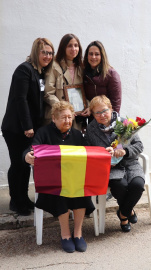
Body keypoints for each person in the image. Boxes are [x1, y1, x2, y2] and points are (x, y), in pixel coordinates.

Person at [24, 101, 108, 253]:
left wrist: (105, 153)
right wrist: (27, 157)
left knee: (81, 191)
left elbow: (88, 153)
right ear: (54, 118)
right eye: (63, 118)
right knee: (61, 193)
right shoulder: (43, 133)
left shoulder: (76, 134)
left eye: (70, 117)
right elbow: (31, 150)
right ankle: (65, 235)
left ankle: (78, 233)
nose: (68, 121)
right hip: (52, 182)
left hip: (74, 180)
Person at [1, 38, 54, 216]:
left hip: (30, 128)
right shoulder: (24, 70)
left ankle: (23, 197)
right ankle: (16, 201)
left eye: (50, 52)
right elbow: (20, 99)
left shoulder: (39, 72)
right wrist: (28, 126)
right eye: (44, 52)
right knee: (18, 164)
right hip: (16, 128)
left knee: (26, 164)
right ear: (35, 52)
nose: (47, 56)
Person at [85, 95, 145, 232]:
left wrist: (124, 150)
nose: (102, 115)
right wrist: (103, 158)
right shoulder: (91, 129)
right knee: (120, 186)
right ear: (93, 114)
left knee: (138, 185)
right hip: (109, 168)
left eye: (105, 110)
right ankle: (127, 214)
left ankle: (123, 213)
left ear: (111, 109)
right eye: (97, 113)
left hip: (130, 164)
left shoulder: (125, 123)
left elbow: (139, 146)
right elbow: (88, 151)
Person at [44, 33, 90, 130]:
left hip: (76, 120)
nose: (73, 49)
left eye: (76, 45)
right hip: (58, 119)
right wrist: (63, 108)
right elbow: (48, 93)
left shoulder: (81, 67)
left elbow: (86, 93)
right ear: (63, 48)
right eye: (69, 46)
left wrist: (89, 106)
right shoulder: (53, 66)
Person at [83, 40, 122, 121]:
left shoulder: (111, 74)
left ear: (102, 56)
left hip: (107, 119)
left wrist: (112, 122)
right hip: (92, 120)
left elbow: (116, 103)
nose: (93, 57)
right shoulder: (84, 73)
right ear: (87, 56)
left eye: (97, 54)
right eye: (91, 54)